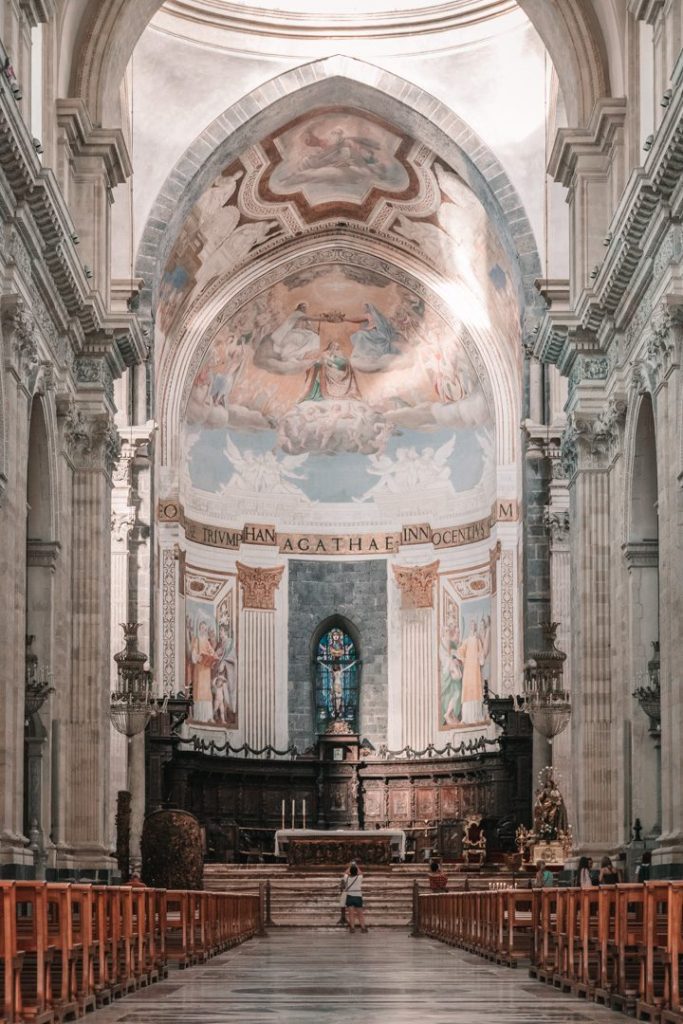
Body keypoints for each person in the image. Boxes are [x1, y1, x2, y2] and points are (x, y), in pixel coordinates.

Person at [341, 861, 367, 933]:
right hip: (358, 896)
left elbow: (345, 872)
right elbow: (361, 872)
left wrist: (350, 866)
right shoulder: (359, 877)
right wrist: (356, 865)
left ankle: (352, 928)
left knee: (351, 914)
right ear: (356, 871)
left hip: (350, 896)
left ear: (350, 871)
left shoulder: (347, 877)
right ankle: (363, 928)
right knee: (360, 914)